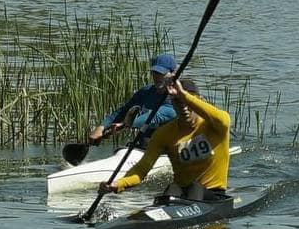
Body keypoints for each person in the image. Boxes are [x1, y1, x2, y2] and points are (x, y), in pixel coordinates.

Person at [99, 77, 231, 201]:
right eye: (177, 102)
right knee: (172, 189)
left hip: (213, 195)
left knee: (194, 188)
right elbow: (141, 169)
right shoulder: (163, 134)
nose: (183, 107)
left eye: (187, 102)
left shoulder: (217, 124)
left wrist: (183, 95)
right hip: (180, 194)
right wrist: (117, 183)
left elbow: (221, 119)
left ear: (199, 101)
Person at [86, 53, 178, 147]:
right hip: (147, 146)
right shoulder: (146, 92)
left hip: (171, 148)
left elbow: (153, 116)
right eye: (155, 73)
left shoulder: (176, 99)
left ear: (173, 74)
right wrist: (102, 127)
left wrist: (124, 125)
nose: (157, 77)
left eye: (162, 73)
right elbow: (123, 111)